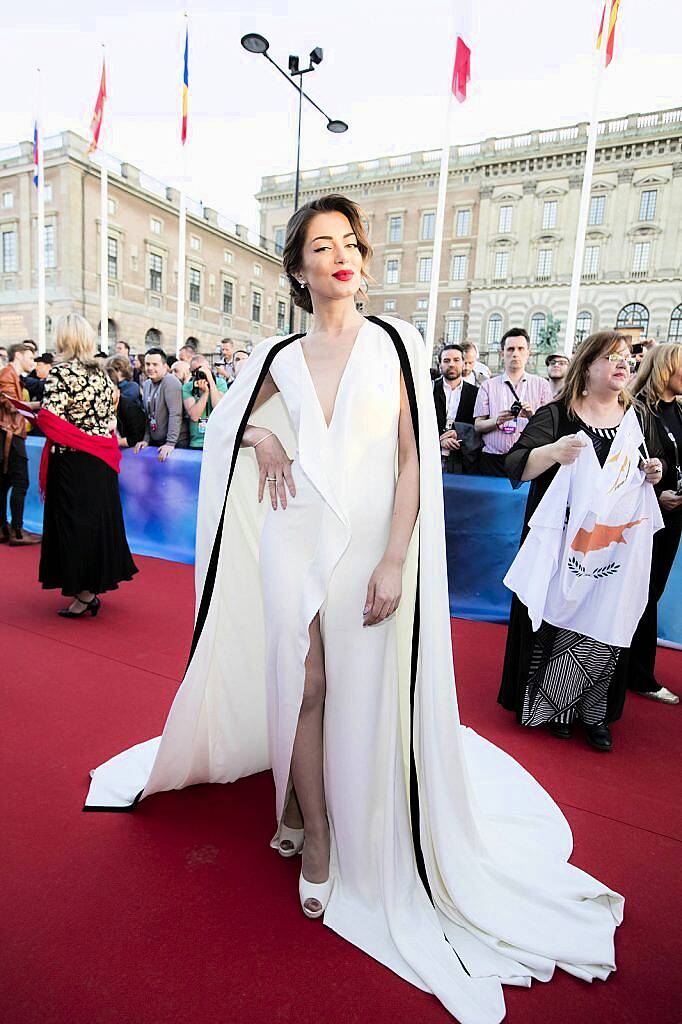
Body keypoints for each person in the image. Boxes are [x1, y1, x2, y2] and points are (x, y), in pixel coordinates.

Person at [86, 194, 623, 1023]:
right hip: (294, 534)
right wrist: (266, 438)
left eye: (351, 245)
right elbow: (234, 429)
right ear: (298, 268)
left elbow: (413, 461)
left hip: (373, 546)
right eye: (321, 245)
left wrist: (396, 557)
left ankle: (359, 820)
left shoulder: (398, 344)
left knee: (363, 692)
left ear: (363, 263)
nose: (342, 257)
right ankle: (317, 827)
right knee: (303, 687)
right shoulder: (276, 355)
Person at [498, 332, 665, 751]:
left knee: (607, 619)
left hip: (615, 550)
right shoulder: (557, 415)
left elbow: (657, 468)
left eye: (627, 358)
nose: (622, 364)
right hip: (562, 546)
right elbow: (516, 465)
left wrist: (655, 472)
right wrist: (553, 452)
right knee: (557, 620)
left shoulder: (639, 417)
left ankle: (595, 714)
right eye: (611, 357)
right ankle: (554, 707)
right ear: (587, 366)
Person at [37, 314, 137, 616]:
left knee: (73, 527)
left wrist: (42, 415)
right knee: (95, 526)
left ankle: (84, 594)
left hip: (72, 463)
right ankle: (89, 588)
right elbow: (108, 424)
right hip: (102, 462)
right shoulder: (104, 376)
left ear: (64, 339)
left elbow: (49, 419)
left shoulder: (61, 373)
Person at [626, 343, 682, 704]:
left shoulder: (678, 410)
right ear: (666, 369)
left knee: (652, 593)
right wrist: (653, 494)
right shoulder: (637, 410)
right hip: (644, 516)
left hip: (673, 517)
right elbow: (624, 462)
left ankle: (634, 671)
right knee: (638, 594)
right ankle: (637, 675)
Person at [474, 328, 552, 476]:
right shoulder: (488, 386)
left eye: (520, 349)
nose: (515, 353)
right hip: (493, 460)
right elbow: (478, 426)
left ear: (528, 353)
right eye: (510, 349)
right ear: (502, 354)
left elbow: (548, 430)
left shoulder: (542, 385)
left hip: (527, 460)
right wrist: (497, 421)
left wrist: (531, 416)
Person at [0, 342, 42, 545]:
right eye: (31, 357)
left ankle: (4, 529)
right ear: (18, 355)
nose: (33, 362)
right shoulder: (7, 374)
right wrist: (40, 405)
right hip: (10, 435)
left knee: (6, 482)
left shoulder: (12, 375)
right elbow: (12, 404)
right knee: (20, 482)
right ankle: (17, 531)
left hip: (11, 434)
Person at [432, 344, 479, 474]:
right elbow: (418, 424)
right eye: (446, 361)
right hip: (431, 458)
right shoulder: (428, 390)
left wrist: (460, 433)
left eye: (456, 360)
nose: (451, 364)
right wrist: (439, 440)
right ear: (440, 364)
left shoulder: (475, 393)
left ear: (464, 363)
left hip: (463, 461)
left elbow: (478, 427)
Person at [135, 348, 184, 461]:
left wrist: (170, 443)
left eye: (155, 364)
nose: (150, 368)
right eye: (148, 364)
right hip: (157, 444)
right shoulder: (147, 384)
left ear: (164, 366)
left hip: (175, 446)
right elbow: (148, 415)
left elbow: (175, 414)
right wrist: (146, 439)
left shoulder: (170, 381)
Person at [182, 354, 227, 450]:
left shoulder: (220, 383)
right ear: (191, 372)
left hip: (217, 441)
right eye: (196, 371)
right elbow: (194, 416)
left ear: (209, 368)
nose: (200, 374)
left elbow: (218, 407)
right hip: (197, 442)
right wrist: (205, 393)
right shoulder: (188, 387)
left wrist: (210, 380)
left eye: (203, 370)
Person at [105, 367, 147, 449]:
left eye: (111, 391)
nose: (107, 396)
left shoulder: (130, 408)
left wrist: (109, 442)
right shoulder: (100, 408)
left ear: (118, 391)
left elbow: (136, 439)